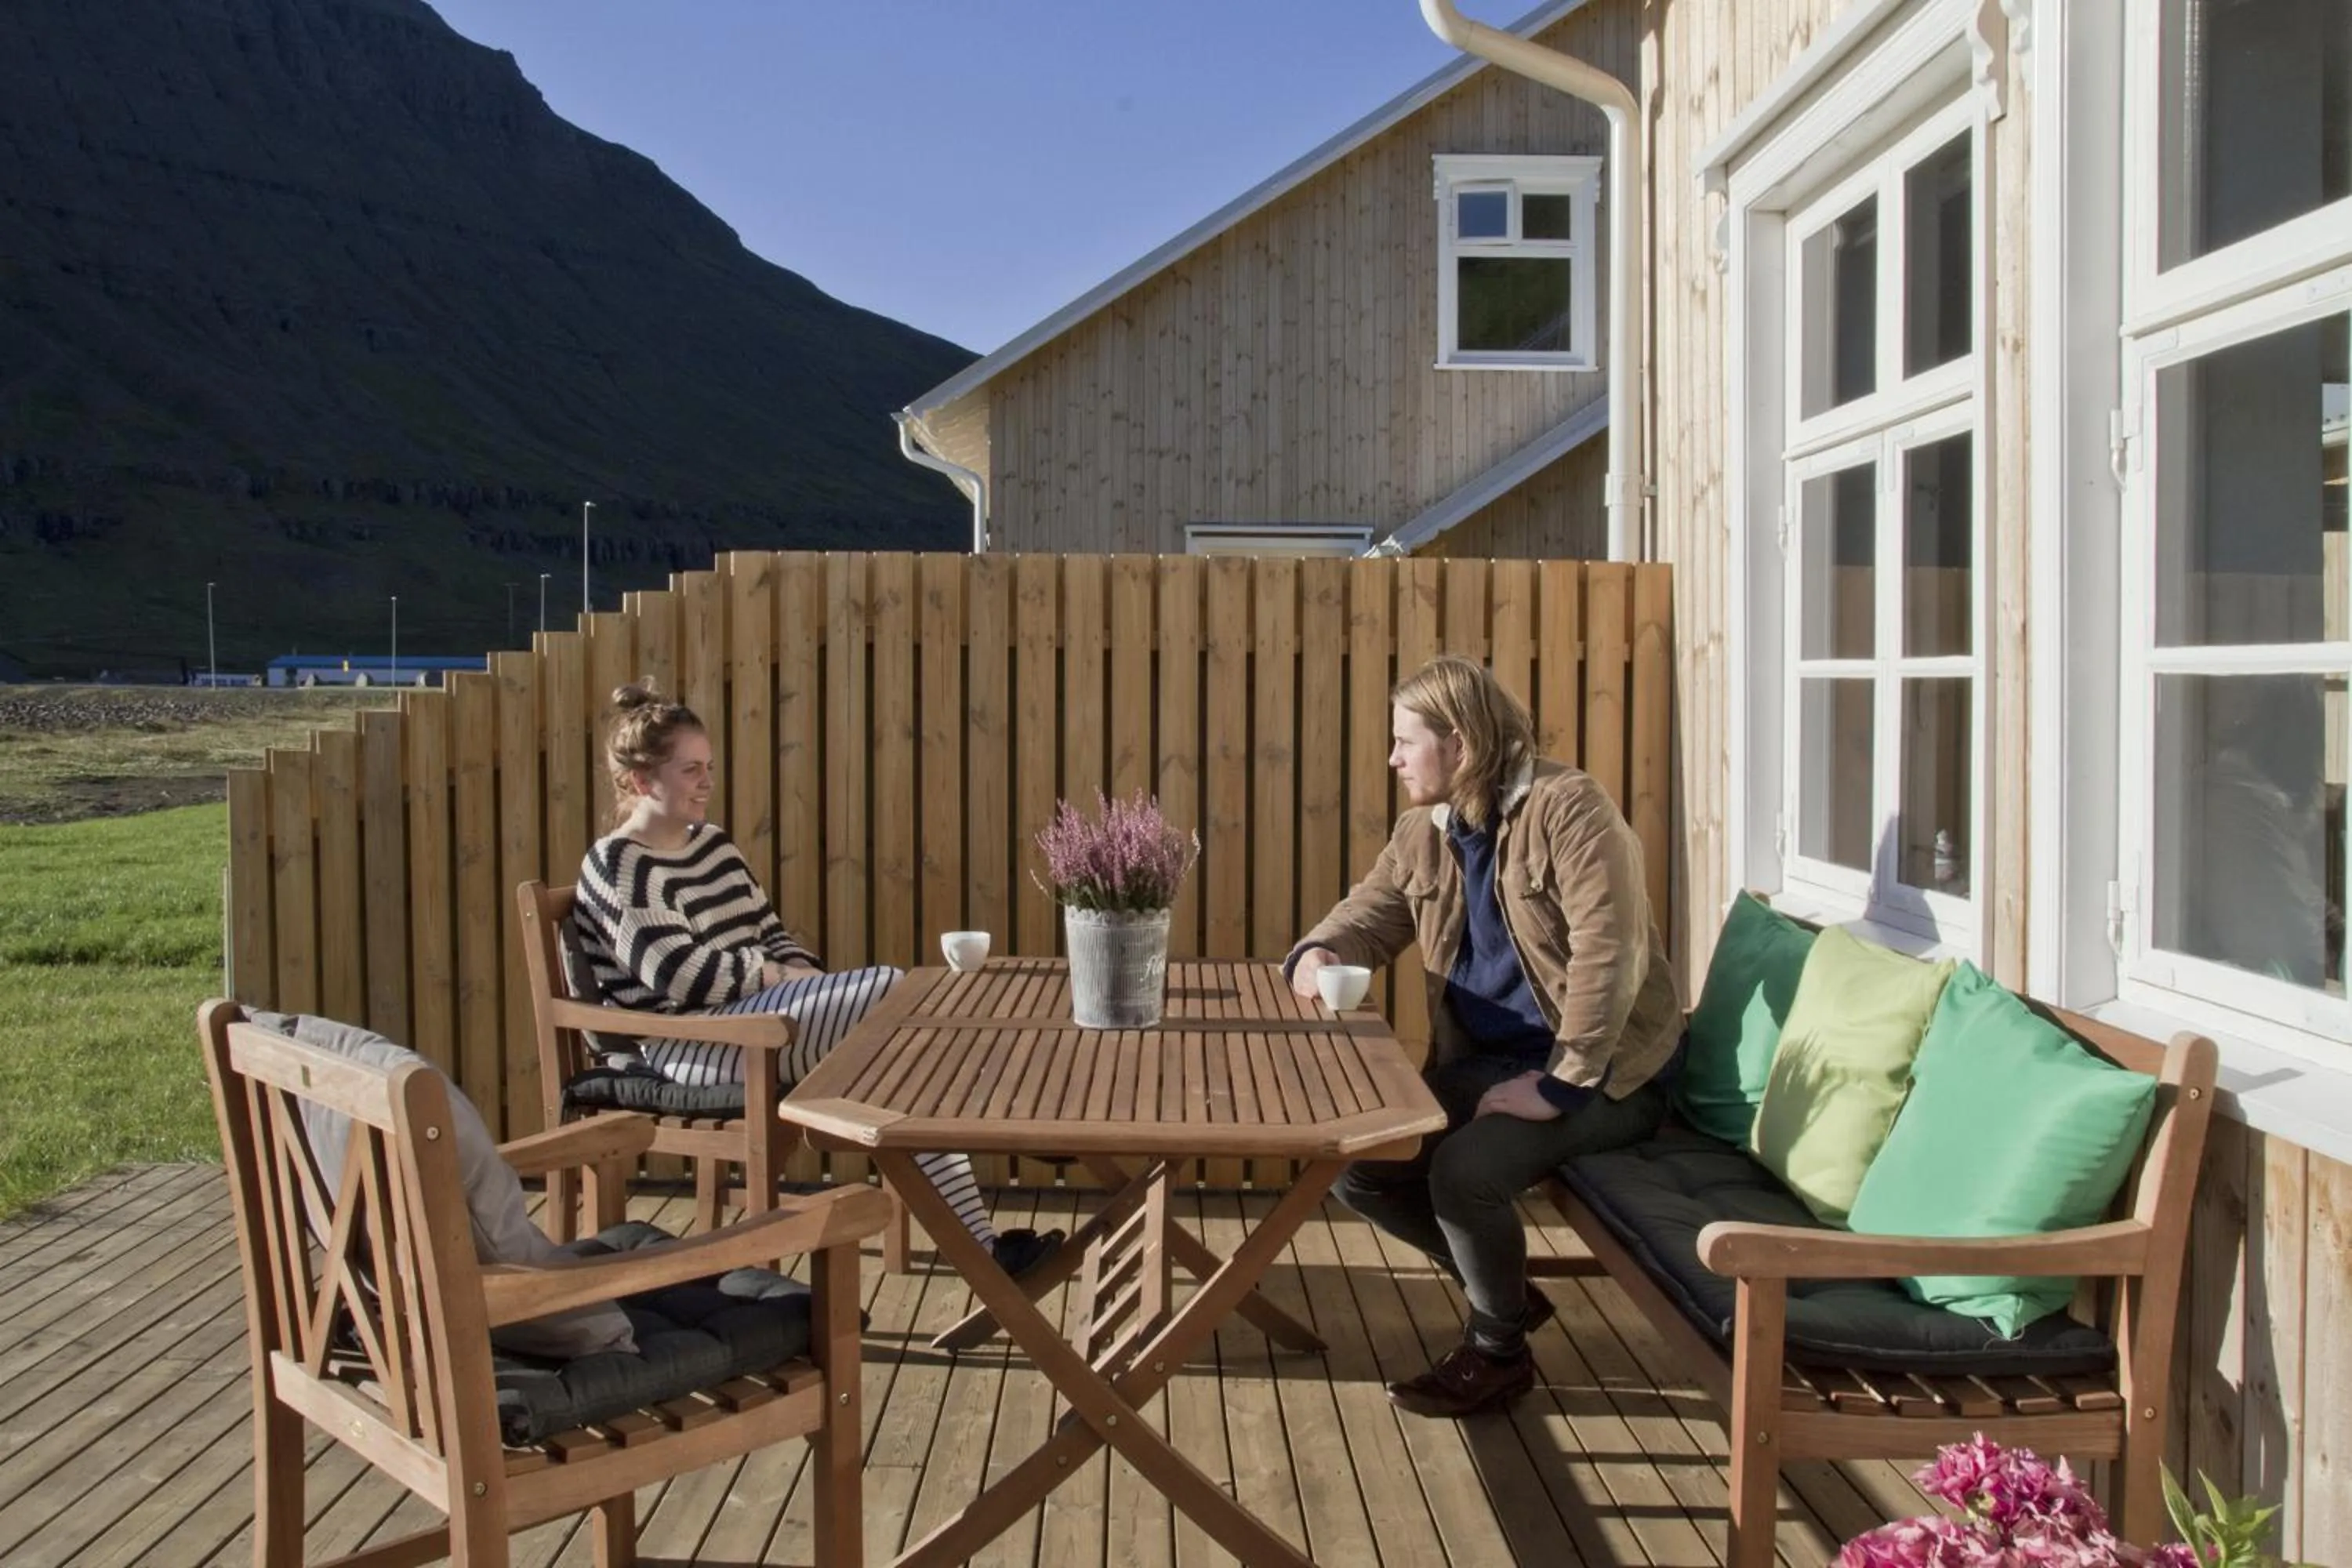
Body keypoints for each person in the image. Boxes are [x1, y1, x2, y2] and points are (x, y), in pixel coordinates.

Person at [1287, 655, 1682, 1418]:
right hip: (1494, 1065)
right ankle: (1504, 1294)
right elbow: (1368, 914)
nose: (1393, 757)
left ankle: (1498, 1350)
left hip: (1611, 1072)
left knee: (1465, 1170)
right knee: (1359, 1162)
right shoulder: (1424, 832)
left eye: (1407, 741)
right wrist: (1317, 953)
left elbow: (1612, 951)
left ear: (1461, 742)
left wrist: (1561, 1083)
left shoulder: (1571, 810)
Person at [572, 681, 1063, 1279]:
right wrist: (779, 977)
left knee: (905, 1058)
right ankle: (1014, 1119)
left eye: (709, 767)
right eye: (690, 769)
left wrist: (796, 971)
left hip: (761, 1019)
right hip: (687, 1043)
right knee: (893, 992)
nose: (707, 781)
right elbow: (680, 975)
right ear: (643, 780)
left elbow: (771, 933)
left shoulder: (714, 848)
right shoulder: (615, 863)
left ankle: (983, 1250)